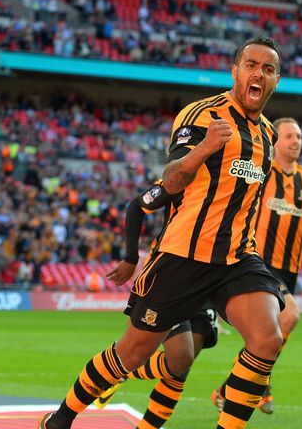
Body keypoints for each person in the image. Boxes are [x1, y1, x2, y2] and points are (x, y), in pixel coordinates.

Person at [39, 35, 286, 429]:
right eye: (251, 65)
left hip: (237, 258)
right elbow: (170, 180)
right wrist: (204, 148)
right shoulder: (201, 115)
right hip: (183, 256)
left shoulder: (268, 136)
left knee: (267, 338)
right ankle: (61, 419)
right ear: (235, 71)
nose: (259, 73)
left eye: (268, 69)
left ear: (276, 80)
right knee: (131, 354)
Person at [210, 117, 302, 414]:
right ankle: (259, 383)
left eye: (300, 137)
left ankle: (229, 389)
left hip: (289, 268)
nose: (296, 141)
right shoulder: (261, 169)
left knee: (266, 336)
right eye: (289, 136)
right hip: (257, 261)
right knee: (290, 316)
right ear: (276, 141)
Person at [89, 180, 220, 429]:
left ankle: (143, 415)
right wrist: (130, 257)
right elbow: (137, 206)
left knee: (184, 362)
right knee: (180, 357)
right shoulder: (184, 172)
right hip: (171, 273)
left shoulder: (243, 179)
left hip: (213, 275)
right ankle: (118, 371)